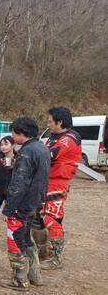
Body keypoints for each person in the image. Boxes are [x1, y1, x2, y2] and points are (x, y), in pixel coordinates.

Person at [1, 117, 50, 290]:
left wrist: (8, 209)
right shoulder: (43, 148)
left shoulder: (27, 152)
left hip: (22, 205)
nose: (13, 137)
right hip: (35, 203)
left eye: (14, 133)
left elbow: (19, 183)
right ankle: (35, 275)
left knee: (15, 238)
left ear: (22, 133)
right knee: (26, 238)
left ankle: (19, 279)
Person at [34, 107, 82, 270]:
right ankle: (43, 250)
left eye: (50, 121)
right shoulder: (54, 137)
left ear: (59, 122)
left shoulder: (69, 139)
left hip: (58, 182)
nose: (48, 124)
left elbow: (48, 154)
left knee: (51, 218)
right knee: (38, 216)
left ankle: (57, 258)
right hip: (46, 181)